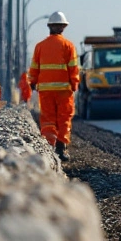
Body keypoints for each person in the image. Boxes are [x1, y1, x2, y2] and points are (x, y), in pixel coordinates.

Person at [28, 11, 79, 160]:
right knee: (64, 118)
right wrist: (74, 85)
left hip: (45, 90)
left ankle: (49, 146)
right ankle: (61, 149)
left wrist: (32, 82)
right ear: (63, 28)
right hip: (64, 90)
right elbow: (73, 68)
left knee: (48, 118)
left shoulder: (40, 46)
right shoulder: (68, 45)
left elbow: (34, 68)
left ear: (49, 26)